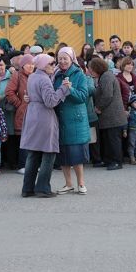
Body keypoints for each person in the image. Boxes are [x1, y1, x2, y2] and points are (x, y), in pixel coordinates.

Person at [20, 54, 71, 198]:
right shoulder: (44, 79)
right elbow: (51, 101)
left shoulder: (32, 76)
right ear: (43, 65)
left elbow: (30, 95)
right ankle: (42, 188)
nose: (54, 66)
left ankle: (27, 188)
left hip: (32, 114)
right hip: (43, 117)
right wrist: (63, 88)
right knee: (48, 153)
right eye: (51, 63)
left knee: (34, 153)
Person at [53, 47, 90, 194]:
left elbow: (83, 96)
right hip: (60, 118)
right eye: (60, 58)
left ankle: (81, 183)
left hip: (75, 119)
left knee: (76, 154)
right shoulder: (55, 75)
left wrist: (70, 89)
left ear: (71, 59)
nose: (62, 61)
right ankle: (68, 184)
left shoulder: (79, 74)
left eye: (65, 59)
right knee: (63, 155)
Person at [91, 57, 127, 171]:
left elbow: (107, 95)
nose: (90, 71)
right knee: (109, 139)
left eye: (91, 69)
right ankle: (109, 160)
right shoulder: (105, 76)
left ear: (97, 68)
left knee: (113, 140)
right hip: (109, 116)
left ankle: (117, 162)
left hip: (113, 116)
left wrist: (98, 107)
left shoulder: (106, 76)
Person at [5, 54, 34, 173]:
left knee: (34, 138)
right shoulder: (17, 75)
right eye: (29, 64)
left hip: (36, 110)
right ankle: (23, 164)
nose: (31, 66)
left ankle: (33, 164)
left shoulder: (36, 75)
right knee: (24, 138)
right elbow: (9, 92)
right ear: (23, 65)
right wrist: (19, 103)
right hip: (23, 112)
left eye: (33, 64)